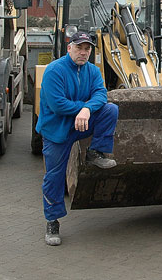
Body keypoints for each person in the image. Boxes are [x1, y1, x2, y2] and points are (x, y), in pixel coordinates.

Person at [36, 31, 119, 246]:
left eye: (87, 49)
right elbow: (57, 104)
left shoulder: (92, 71)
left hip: (80, 123)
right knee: (54, 176)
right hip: (57, 130)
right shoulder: (55, 71)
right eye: (79, 47)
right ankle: (52, 220)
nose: (83, 52)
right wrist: (83, 109)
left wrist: (88, 110)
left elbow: (101, 94)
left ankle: (95, 152)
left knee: (110, 110)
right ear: (69, 48)